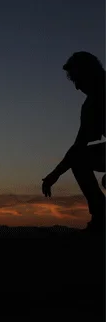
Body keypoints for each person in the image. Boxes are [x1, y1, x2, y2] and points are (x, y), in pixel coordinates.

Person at [42, 51, 105, 233]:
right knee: (79, 158)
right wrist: (55, 174)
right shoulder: (90, 106)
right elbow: (78, 149)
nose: (77, 87)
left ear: (89, 73)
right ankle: (101, 216)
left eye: (78, 79)